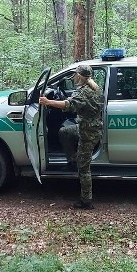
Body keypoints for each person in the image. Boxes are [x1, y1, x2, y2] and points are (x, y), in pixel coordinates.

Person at [39, 64, 104, 209]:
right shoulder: (94, 87)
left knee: (84, 167)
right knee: (64, 132)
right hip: (86, 127)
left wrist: (48, 102)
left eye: (75, 74)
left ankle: (86, 201)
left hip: (88, 133)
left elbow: (69, 105)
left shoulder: (84, 92)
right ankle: (72, 160)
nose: (73, 77)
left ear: (79, 76)